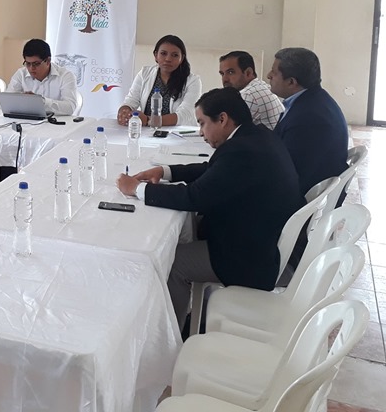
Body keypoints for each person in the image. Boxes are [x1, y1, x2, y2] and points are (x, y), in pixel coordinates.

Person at [116, 88, 301, 337]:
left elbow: (195, 197)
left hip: (251, 256)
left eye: (202, 123)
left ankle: (170, 336)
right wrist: (166, 171)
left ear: (222, 119)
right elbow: (213, 169)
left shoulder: (241, 151)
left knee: (172, 262)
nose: (201, 132)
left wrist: (138, 189)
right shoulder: (255, 136)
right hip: (261, 234)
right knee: (182, 235)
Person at [267, 47, 349, 198]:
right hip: (311, 185)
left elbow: (285, 169)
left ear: (291, 82)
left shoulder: (308, 117)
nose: (268, 75)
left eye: (274, 72)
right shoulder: (314, 100)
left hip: (303, 197)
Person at [117, 34, 202, 127]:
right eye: (163, 53)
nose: (168, 59)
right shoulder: (144, 73)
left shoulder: (193, 81)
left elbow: (185, 115)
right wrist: (124, 112)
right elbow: (130, 101)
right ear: (155, 55)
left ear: (181, 59)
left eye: (175, 55)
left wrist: (149, 120)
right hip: (147, 132)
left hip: (177, 133)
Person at [6, 38, 78, 116]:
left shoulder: (66, 76)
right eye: (28, 63)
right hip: (26, 121)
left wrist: (42, 101)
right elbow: (6, 104)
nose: (31, 68)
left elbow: (70, 107)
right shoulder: (21, 74)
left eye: (36, 64)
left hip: (56, 122)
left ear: (48, 61)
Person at [218, 50, 284, 130]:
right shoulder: (261, 86)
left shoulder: (248, 95)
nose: (225, 79)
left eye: (231, 72)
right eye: (222, 74)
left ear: (248, 73)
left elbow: (224, 131)